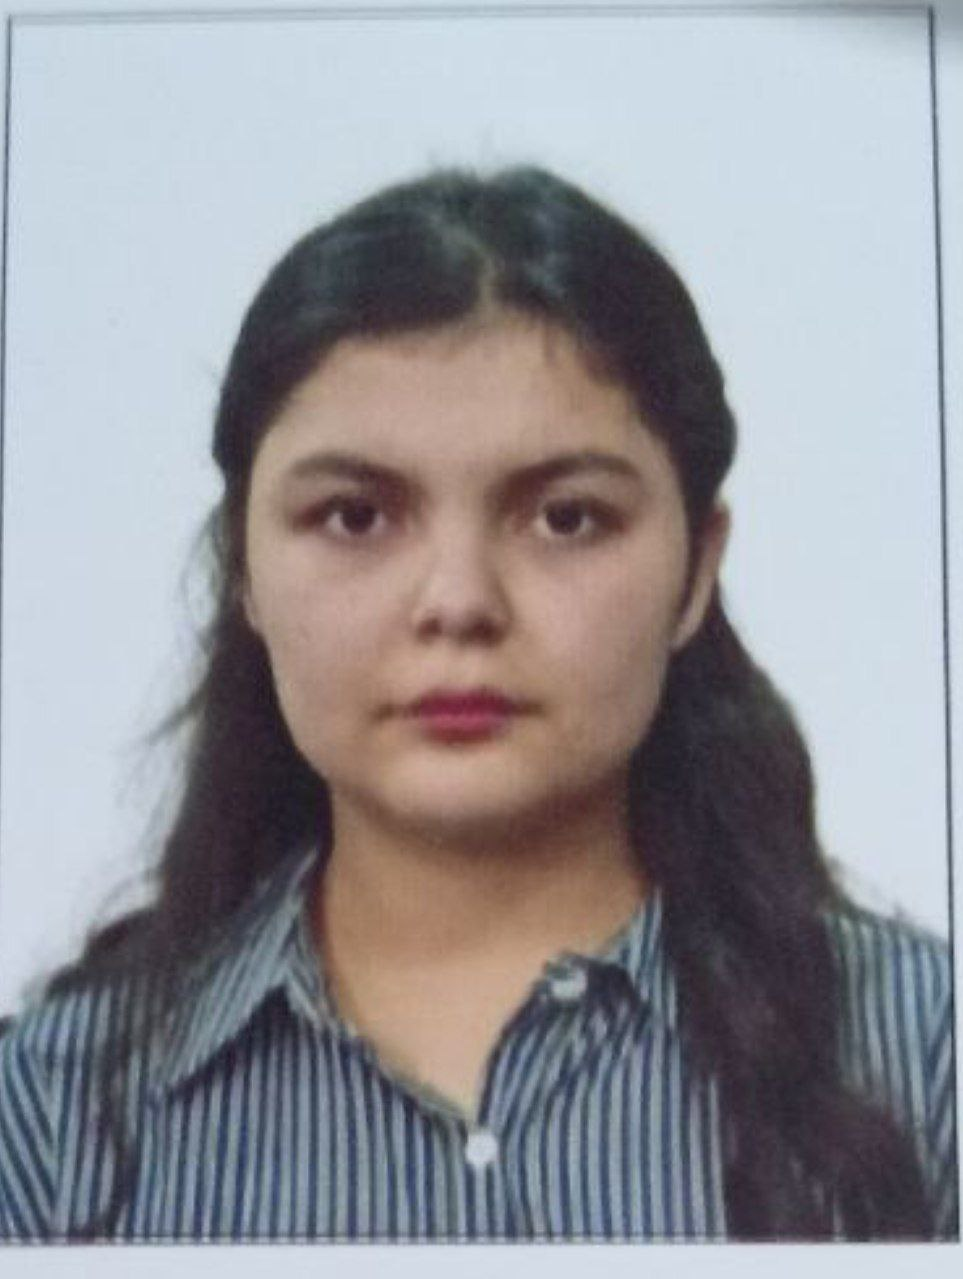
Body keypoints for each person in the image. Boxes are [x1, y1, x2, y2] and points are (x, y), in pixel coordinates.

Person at [0, 166, 955, 1243]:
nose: (458, 602)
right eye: (356, 516)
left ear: (696, 570)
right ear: (245, 571)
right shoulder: (45, 1117)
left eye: (566, 518)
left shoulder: (927, 1057)